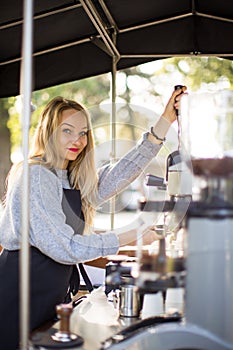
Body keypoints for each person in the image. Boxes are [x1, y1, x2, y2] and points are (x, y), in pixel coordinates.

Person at [0, 86, 186, 349]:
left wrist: (165, 121)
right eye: (67, 131)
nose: (77, 140)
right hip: (19, 295)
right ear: (48, 132)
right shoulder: (37, 176)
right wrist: (135, 234)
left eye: (83, 133)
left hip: (47, 296)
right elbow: (67, 248)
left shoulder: (70, 177)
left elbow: (124, 171)